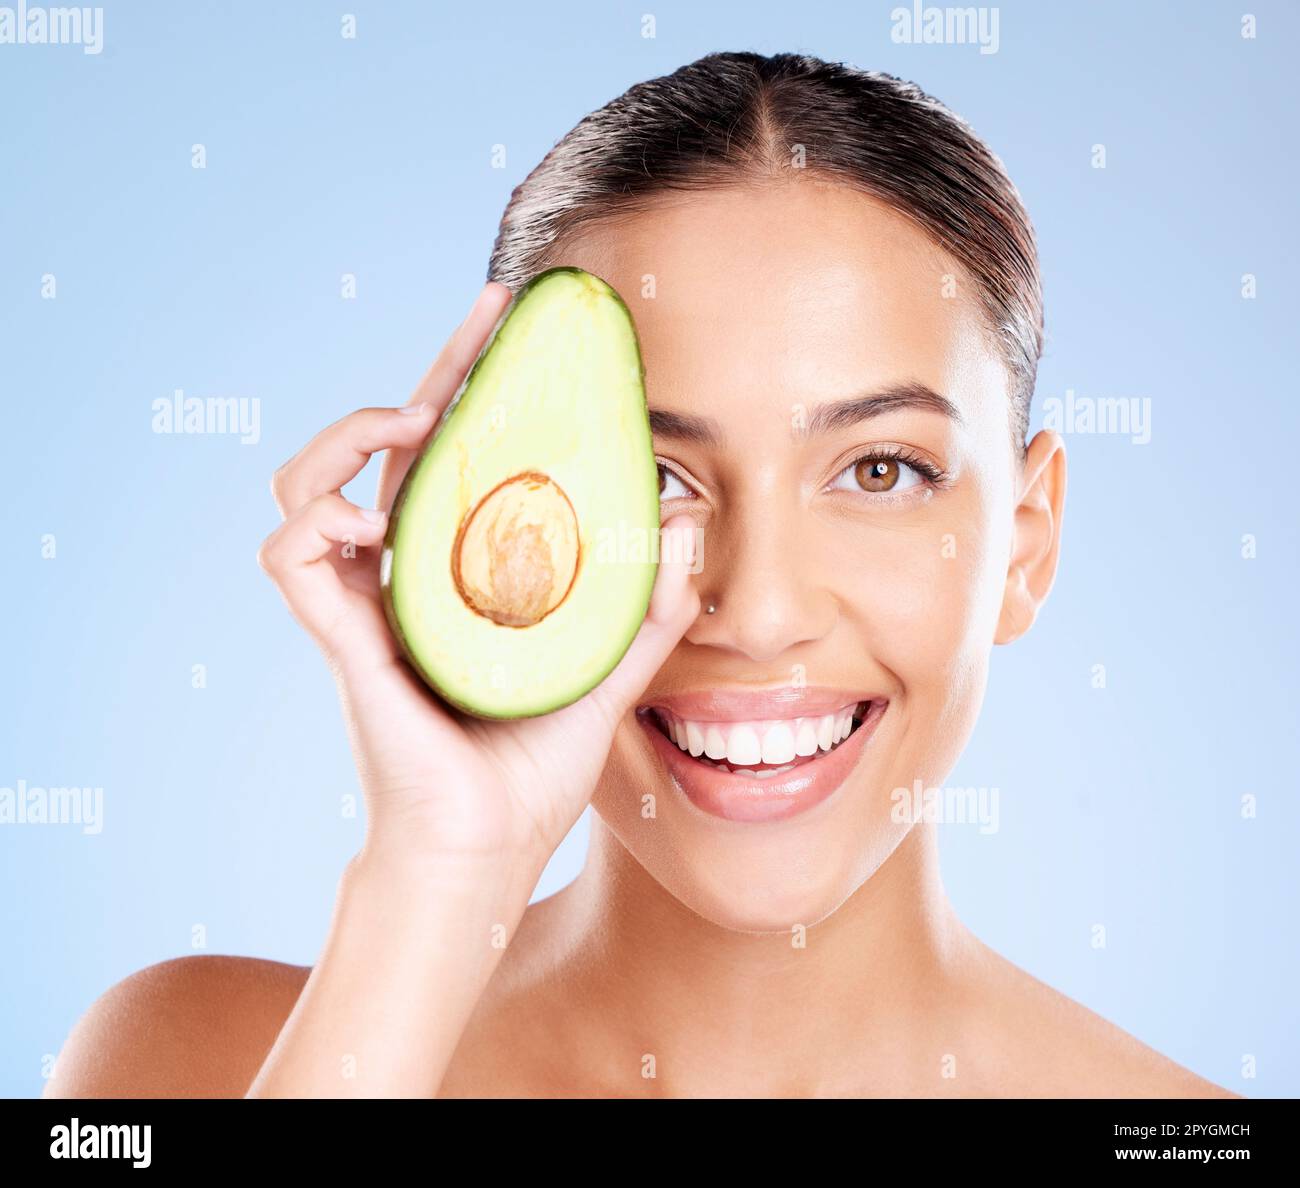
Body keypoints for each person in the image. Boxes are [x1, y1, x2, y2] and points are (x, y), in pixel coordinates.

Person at [46, 51, 1235, 1098]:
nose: (758, 613)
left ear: (1026, 543)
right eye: (658, 476)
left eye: (878, 471)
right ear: (484, 517)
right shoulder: (194, 1060)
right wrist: (437, 875)